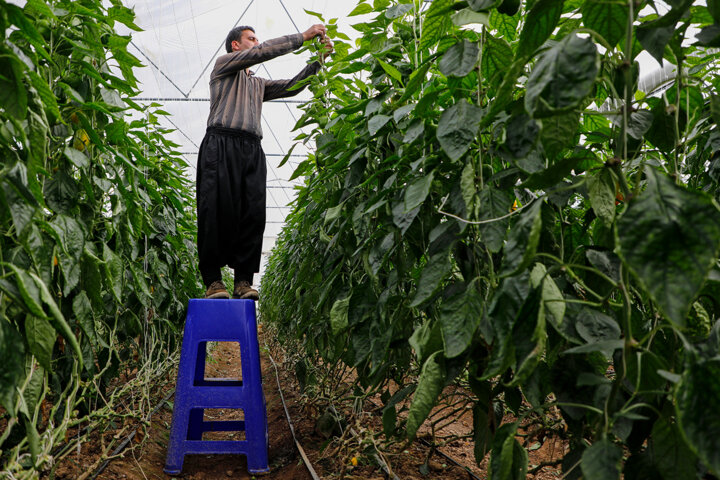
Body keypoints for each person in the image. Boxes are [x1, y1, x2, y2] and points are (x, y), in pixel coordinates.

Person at [197, 24, 333, 300]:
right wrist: (301, 38)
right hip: (220, 143)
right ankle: (213, 280)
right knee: (215, 208)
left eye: (256, 39)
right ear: (236, 45)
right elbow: (262, 52)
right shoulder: (224, 66)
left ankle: (243, 281)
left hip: (251, 148)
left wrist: (319, 61)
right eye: (251, 38)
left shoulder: (257, 84)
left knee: (253, 213)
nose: (256, 43)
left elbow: (292, 87)